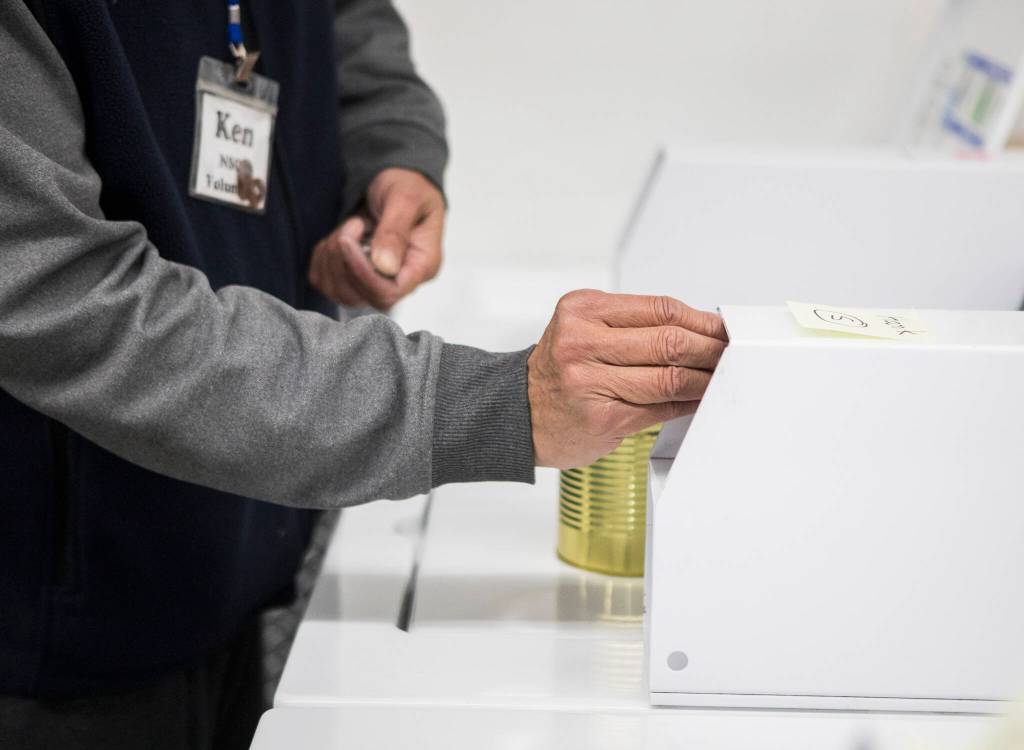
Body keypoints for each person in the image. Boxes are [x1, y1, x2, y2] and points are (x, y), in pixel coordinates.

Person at [0, 1, 728, 748]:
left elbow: (347, 22)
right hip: (52, 644)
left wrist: (391, 151)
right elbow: (57, 294)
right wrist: (490, 405)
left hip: (228, 567)